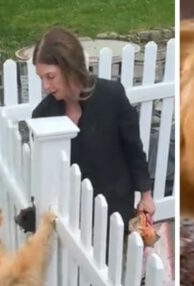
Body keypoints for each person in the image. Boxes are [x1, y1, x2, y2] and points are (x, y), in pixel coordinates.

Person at [31, 26, 155, 230]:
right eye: (41, 78)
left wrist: (146, 196)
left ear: (70, 68)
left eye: (50, 76)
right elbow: (44, 173)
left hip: (114, 210)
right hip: (70, 217)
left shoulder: (112, 96)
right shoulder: (42, 115)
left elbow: (133, 149)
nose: (45, 85)